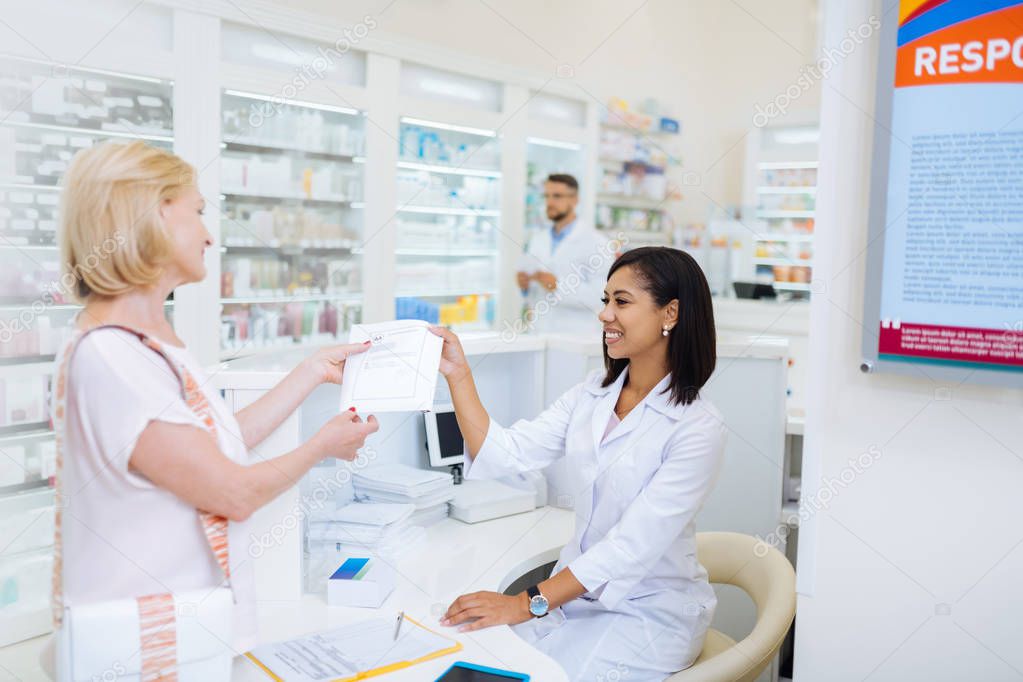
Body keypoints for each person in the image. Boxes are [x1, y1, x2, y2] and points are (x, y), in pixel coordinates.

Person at [47, 140, 379, 663]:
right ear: (151, 215)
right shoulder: (111, 354)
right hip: (140, 645)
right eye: (198, 211)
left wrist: (310, 372)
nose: (208, 234)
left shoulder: (149, 340)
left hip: (184, 631)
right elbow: (231, 492)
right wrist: (321, 446)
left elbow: (215, 447)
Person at [433, 246, 726, 681]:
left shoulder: (698, 428)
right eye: (605, 300)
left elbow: (629, 547)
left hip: (649, 613)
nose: (605, 314)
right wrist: (458, 375)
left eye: (621, 302)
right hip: (575, 600)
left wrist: (525, 603)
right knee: (486, 660)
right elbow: (507, 452)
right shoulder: (593, 392)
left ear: (671, 313)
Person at [517, 174, 612, 335]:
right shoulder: (538, 239)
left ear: (575, 200)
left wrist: (558, 286)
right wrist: (526, 285)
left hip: (577, 335)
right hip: (540, 331)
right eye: (546, 196)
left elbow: (602, 296)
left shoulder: (597, 242)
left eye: (557, 196)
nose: (550, 202)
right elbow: (535, 293)